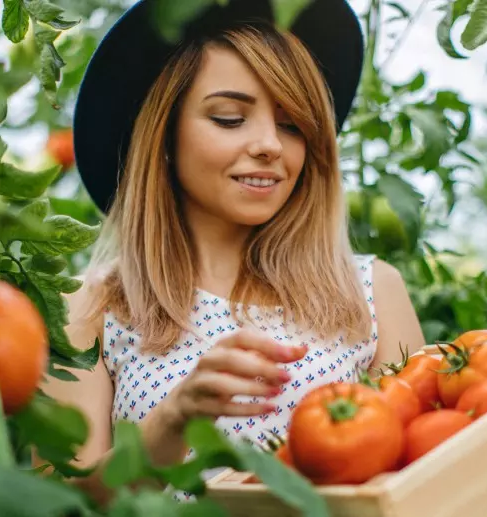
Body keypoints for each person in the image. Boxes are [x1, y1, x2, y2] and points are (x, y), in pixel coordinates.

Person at [37, 0, 426, 505]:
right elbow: (62, 506)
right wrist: (173, 419)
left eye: (291, 125)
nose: (269, 144)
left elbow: (424, 468)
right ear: (165, 135)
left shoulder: (371, 291)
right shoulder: (93, 311)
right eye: (229, 118)